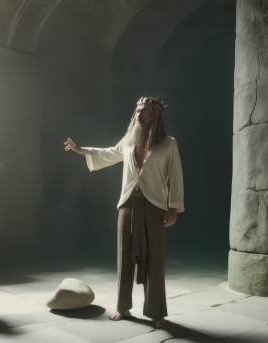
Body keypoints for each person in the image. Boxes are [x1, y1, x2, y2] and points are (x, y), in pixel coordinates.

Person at [63, 96, 184, 329]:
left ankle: (156, 312)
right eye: (137, 110)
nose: (139, 114)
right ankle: (122, 307)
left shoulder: (168, 144)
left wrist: (173, 206)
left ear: (155, 115)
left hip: (155, 205)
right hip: (128, 204)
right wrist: (81, 150)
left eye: (145, 111)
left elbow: (176, 176)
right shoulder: (128, 142)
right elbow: (108, 153)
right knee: (124, 258)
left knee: (155, 260)